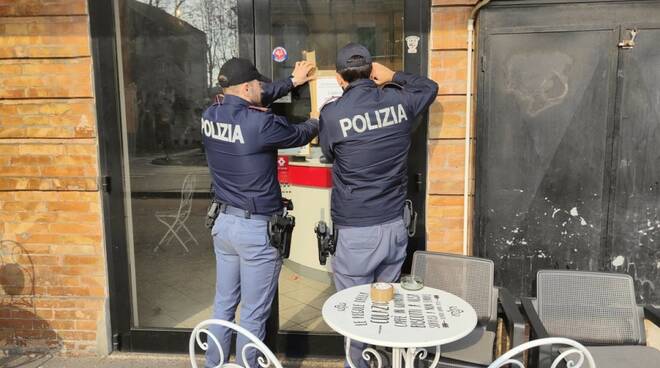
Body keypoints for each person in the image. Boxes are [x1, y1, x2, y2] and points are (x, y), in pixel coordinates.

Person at [319, 43, 438, 368]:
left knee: (356, 314)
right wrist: (393, 76)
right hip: (394, 227)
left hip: (356, 229)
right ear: (372, 71)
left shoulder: (333, 113)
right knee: (386, 307)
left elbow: (330, 155)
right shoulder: (399, 100)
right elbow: (430, 87)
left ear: (339, 77)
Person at [202, 57, 317, 368]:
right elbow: (300, 134)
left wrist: (292, 82)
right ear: (248, 86)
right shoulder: (260, 124)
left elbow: (255, 97)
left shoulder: (210, 114)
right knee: (254, 312)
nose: (264, 89)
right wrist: (318, 117)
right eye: (259, 85)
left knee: (224, 304)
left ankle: (213, 364)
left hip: (224, 225)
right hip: (254, 231)